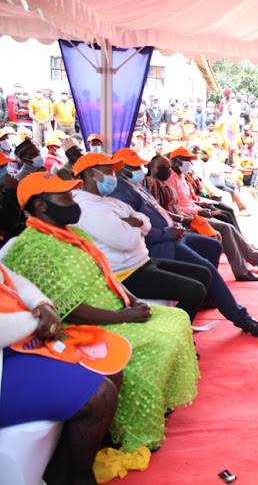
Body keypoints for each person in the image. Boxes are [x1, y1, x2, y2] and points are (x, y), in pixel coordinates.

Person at [5, 172, 200, 452]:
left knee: (177, 318)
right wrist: (124, 317)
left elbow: (107, 273)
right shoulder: (32, 248)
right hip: (84, 326)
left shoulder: (75, 234)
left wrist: (130, 300)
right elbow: (68, 311)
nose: (73, 202)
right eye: (65, 197)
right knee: (158, 341)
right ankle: (129, 426)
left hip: (115, 308)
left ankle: (149, 402)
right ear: (41, 206)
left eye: (72, 195)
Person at [110, 148, 258, 336]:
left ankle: (208, 296)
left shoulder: (135, 185)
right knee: (206, 270)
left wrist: (176, 221)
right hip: (160, 244)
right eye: (135, 165)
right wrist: (169, 231)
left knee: (213, 246)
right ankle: (242, 318)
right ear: (121, 168)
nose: (140, 168)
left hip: (173, 232)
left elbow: (158, 210)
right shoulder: (120, 192)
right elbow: (139, 230)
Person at [1, 262, 118, 485]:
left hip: (19, 341)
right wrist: (36, 321)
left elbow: (9, 276)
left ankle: (62, 471)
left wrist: (42, 304)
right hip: (10, 351)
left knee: (110, 368)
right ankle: (79, 478)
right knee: (100, 395)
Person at [70, 152, 211, 323]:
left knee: (203, 273)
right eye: (108, 171)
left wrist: (134, 223)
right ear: (91, 174)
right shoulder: (87, 207)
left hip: (142, 262)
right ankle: (174, 331)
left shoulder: (107, 200)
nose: (113, 177)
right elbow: (126, 241)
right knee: (194, 290)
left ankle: (178, 329)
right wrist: (136, 225)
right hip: (124, 274)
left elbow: (145, 221)